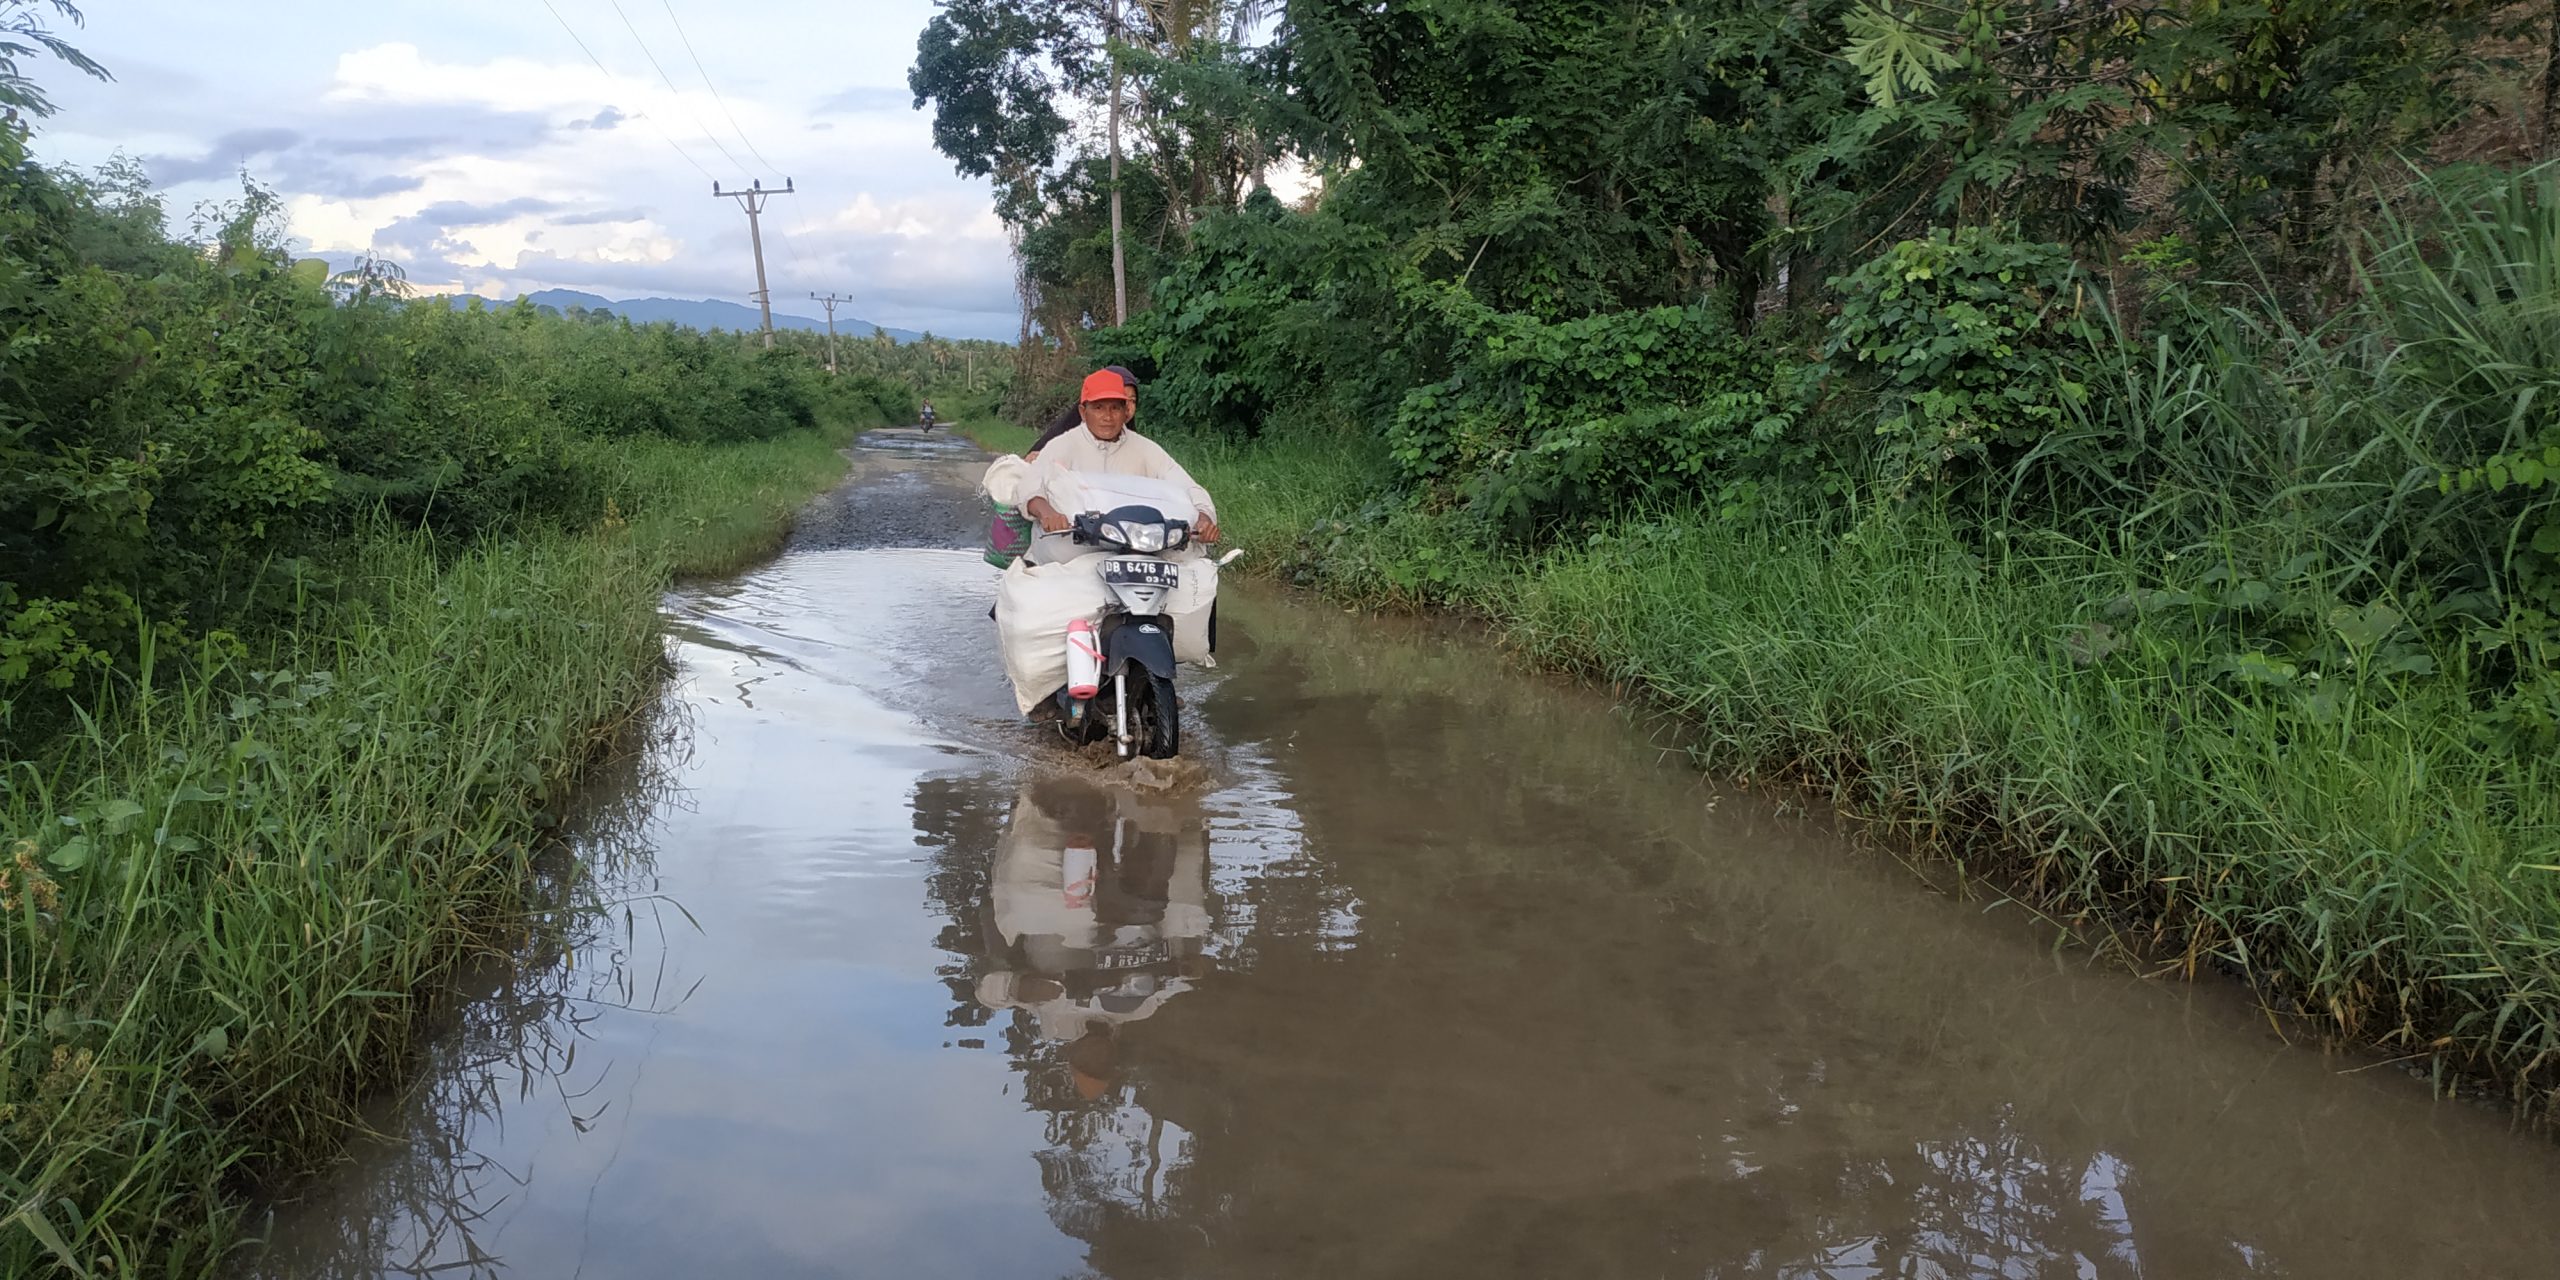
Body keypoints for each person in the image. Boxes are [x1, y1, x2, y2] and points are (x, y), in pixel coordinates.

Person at [1023, 368, 1220, 544]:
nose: (1107, 417)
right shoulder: (1063, 445)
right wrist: (1047, 513)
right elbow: (1030, 486)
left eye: (1115, 408)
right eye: (1098, 407)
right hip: (1074, 551)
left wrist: (1204, 518)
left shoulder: (1145, 449)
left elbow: (1188, 486)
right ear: (1083, 412)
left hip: (1134, 550)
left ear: (1126, 411)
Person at [1025, 366, 1136, 461]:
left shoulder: (1141, 450)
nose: (1128, 408)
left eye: (1133, 400)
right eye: (1099, 407)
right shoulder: (1060, 444)